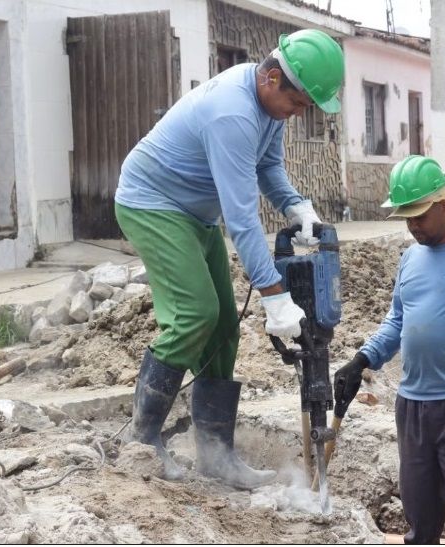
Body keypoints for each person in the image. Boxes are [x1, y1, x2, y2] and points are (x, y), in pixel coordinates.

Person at [113, 29, 345, 489]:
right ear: (272, 78)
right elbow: (241, 221)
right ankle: (141, 442)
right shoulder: (232, 114)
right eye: (298, 104)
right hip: (151, 203)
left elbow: (269, 167)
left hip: (195, 214)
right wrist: (274, 296)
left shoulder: (268, 106)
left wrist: (295, 205)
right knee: (195, 312)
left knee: (223, 326)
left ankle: (216, 456)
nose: (298, 114)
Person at [333, 155, 445, 544]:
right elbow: (397, 322)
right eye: (406, 218)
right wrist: (361, 360)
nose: (413, 226)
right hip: (413, 407)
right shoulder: (410, 259)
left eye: (419, 216)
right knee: (420, 518)